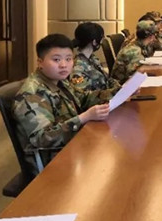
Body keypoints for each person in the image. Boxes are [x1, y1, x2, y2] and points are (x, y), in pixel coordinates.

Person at [12, 34, 117, 176]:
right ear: (40, 62)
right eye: (56, 60)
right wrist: (83, 118)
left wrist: (118, 91)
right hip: (54, 163)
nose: (63, 65)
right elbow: (42, 138)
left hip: (74, 145)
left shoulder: (60, 81)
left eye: (68, 59)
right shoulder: (32, 94)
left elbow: (83, 99)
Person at [71, 22, 121, 91]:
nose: (101, 42)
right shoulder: (78, 67)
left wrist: (119, 88)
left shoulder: (92, 58)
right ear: (94, 42)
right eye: (101, 39)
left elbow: (107, 79)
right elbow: (82, 94)